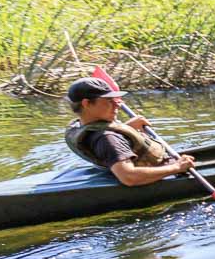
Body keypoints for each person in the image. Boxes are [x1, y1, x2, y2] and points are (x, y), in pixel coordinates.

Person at [64, 76, 199, 185]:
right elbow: (129, 177)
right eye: (109, 100)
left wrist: (127, 128)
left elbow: (107, 141)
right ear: (86, 103)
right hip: (160, 174)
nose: (117, 104)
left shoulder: (80, 126)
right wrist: (177, 167)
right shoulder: (107, 138)